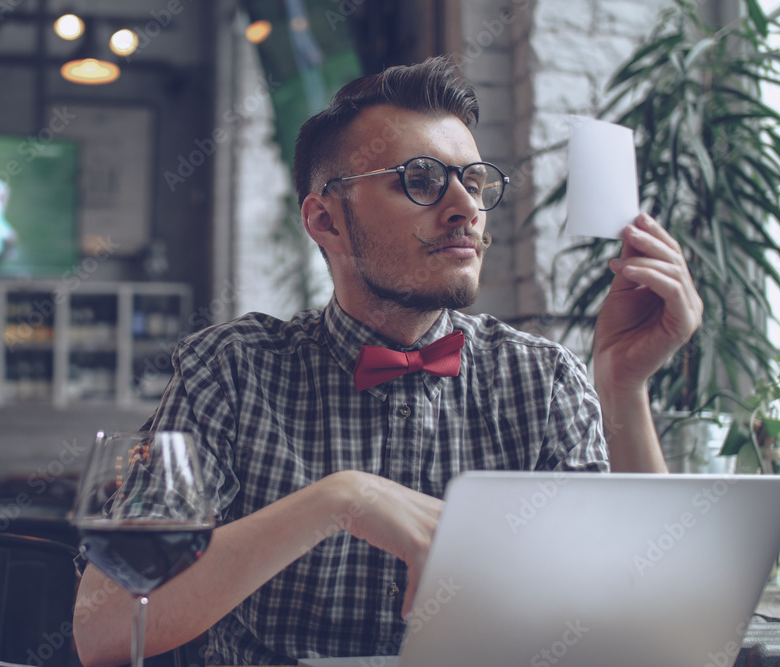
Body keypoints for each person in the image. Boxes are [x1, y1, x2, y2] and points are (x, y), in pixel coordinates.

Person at [73, 56, 702, 666]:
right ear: (325, 220)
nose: (465, 210)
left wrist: (624, 386)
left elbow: (652, 629)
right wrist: (340, 499)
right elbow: (104, 627)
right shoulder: (232, 371)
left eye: (474, 182)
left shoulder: (540, 380)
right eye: (421, 181)